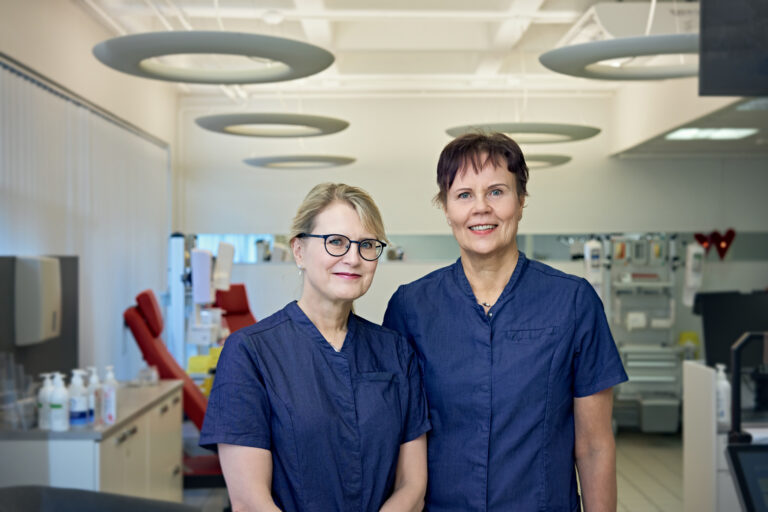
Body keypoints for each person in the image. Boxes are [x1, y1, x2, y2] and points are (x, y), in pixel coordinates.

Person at [383, 132, 628, 512]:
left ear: (521, 200)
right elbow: (397, 438)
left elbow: (594, 446)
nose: (481, 208)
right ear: (446, 207)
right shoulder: (410, 308)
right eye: (464, 195)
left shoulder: (573, 301)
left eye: (497, 192)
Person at [200, 183, 431, 512]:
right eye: (336, 242)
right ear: (299, 250)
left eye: (367, 245)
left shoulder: (395, 352)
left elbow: (413, 486)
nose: (353, 258)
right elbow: (250, 502)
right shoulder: (249, 353)